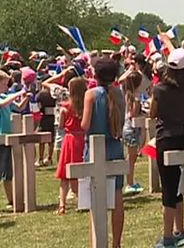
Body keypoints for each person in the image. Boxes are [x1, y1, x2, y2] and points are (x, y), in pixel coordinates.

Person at [150, 48, 184, 248]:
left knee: (168, 187)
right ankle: (180, 230)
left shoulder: (159, 89)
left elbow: (153, 113)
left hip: (166, 137)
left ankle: (167, 237)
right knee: (176, 187)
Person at [81, 58, 126, 248]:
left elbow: (85, 125)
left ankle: (97, 242)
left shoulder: (90, 94)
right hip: (115, 146)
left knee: (95, 199)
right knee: (117, 197)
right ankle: (116, 243)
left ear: (96, 75)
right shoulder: (119, 94)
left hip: (95, 147)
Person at [0, 70, 31, 215]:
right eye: (4, 84)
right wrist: (16, 94)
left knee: (9, 173)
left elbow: (19, 107)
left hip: (9, 139)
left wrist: (25, 98)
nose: (6, 87)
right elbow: (2, 104)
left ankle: (11, 200)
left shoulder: (5, 96)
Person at [55, 77, 87, 215]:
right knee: (81, 172)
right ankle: (83, 200)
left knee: (65, 174)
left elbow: (61, 126)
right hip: (83, 138)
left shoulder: (65, 107)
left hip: (70, 139)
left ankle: (62, 204)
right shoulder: (86, 105)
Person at [121, 71, 145, 195]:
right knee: (131, 158)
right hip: (131, 128)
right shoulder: (135, 97)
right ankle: (129, 184)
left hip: (127, 128)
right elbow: (133, 114)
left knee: (131, 158)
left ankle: (131, 181)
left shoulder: (126, 94)